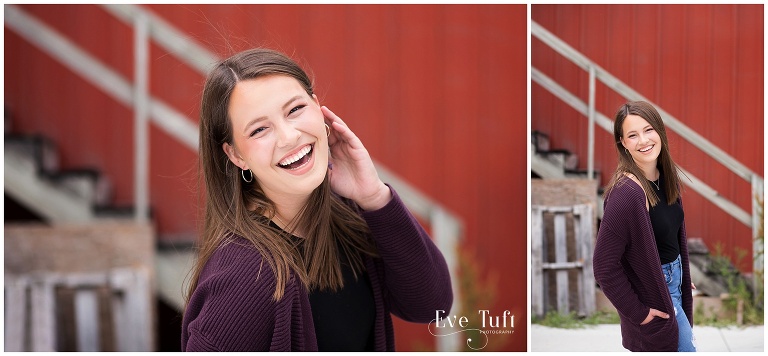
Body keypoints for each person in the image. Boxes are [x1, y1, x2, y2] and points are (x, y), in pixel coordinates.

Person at [181, 48, 453, 351]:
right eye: (260, 129)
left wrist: (375, 197)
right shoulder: (244, 275)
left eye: (295, 109)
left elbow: (434, 305)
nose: (289, 136)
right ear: (236, 155)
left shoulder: (347, 217)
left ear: (318, 106)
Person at [593, 101, 696, 352]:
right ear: (623, 143)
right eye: (632, 135)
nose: (643, 140)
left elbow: (667, 237)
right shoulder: (625, 195)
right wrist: (637, 313)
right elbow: (604, 266)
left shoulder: (664, 178)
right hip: (657, 294)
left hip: (673, 285)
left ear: (660, 131)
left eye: (648, 130)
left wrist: (680, 274)